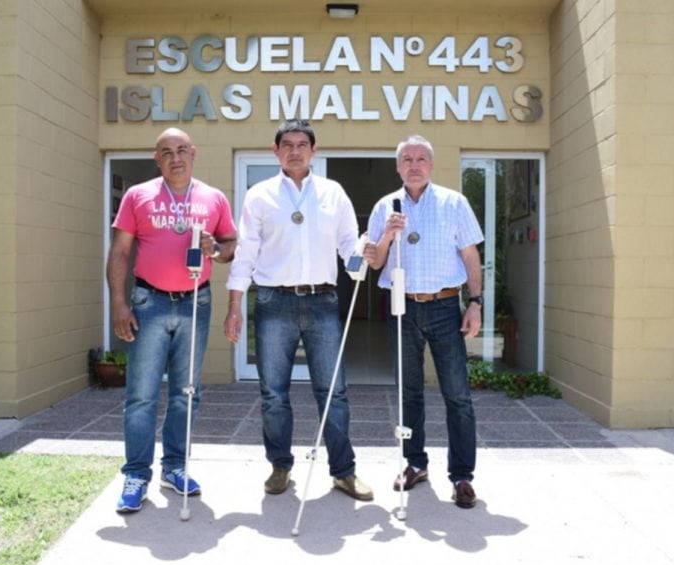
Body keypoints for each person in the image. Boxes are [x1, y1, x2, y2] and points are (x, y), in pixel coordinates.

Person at [224, 119, 373, 501]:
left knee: (334, 392)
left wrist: (365, 251)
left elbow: (347, 248)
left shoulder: (332, 193)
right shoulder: (259, 195)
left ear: (314, 149)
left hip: (323, 301)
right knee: (274, 392)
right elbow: (246, 254)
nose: (294, 150)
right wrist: (235, 305)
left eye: (302, 144)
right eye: (287, 144)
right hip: (274, 302)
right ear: (275, 152)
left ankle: (343, 472)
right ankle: (280, 467)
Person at [107, 127, 237, 513]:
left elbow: (231, 244)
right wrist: (118, 304)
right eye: (166, 152)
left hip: (197, 301)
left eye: (181, 150)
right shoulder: (138, 195)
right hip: (150, 301)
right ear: (156, 158)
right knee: (142, 394)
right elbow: (119, 252)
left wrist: (218, 251)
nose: (175, 157)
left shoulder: (213, 197)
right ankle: (136, 474)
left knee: (186, 393)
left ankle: (175, 467)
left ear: (193, 153)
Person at [365, 134, 483, 508]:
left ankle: (462, 475)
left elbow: (470, 257)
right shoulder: (386, 206)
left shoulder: (454, 202)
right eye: (406, 159)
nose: (414, 165)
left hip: (446, 307)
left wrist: (476, 303)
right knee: (408, 393)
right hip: (402, 306)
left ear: (431, 166)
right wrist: (387, 234)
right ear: (398, 167)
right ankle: (415, 464)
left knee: (457, 395)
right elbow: (374, 262)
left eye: (421, 159)